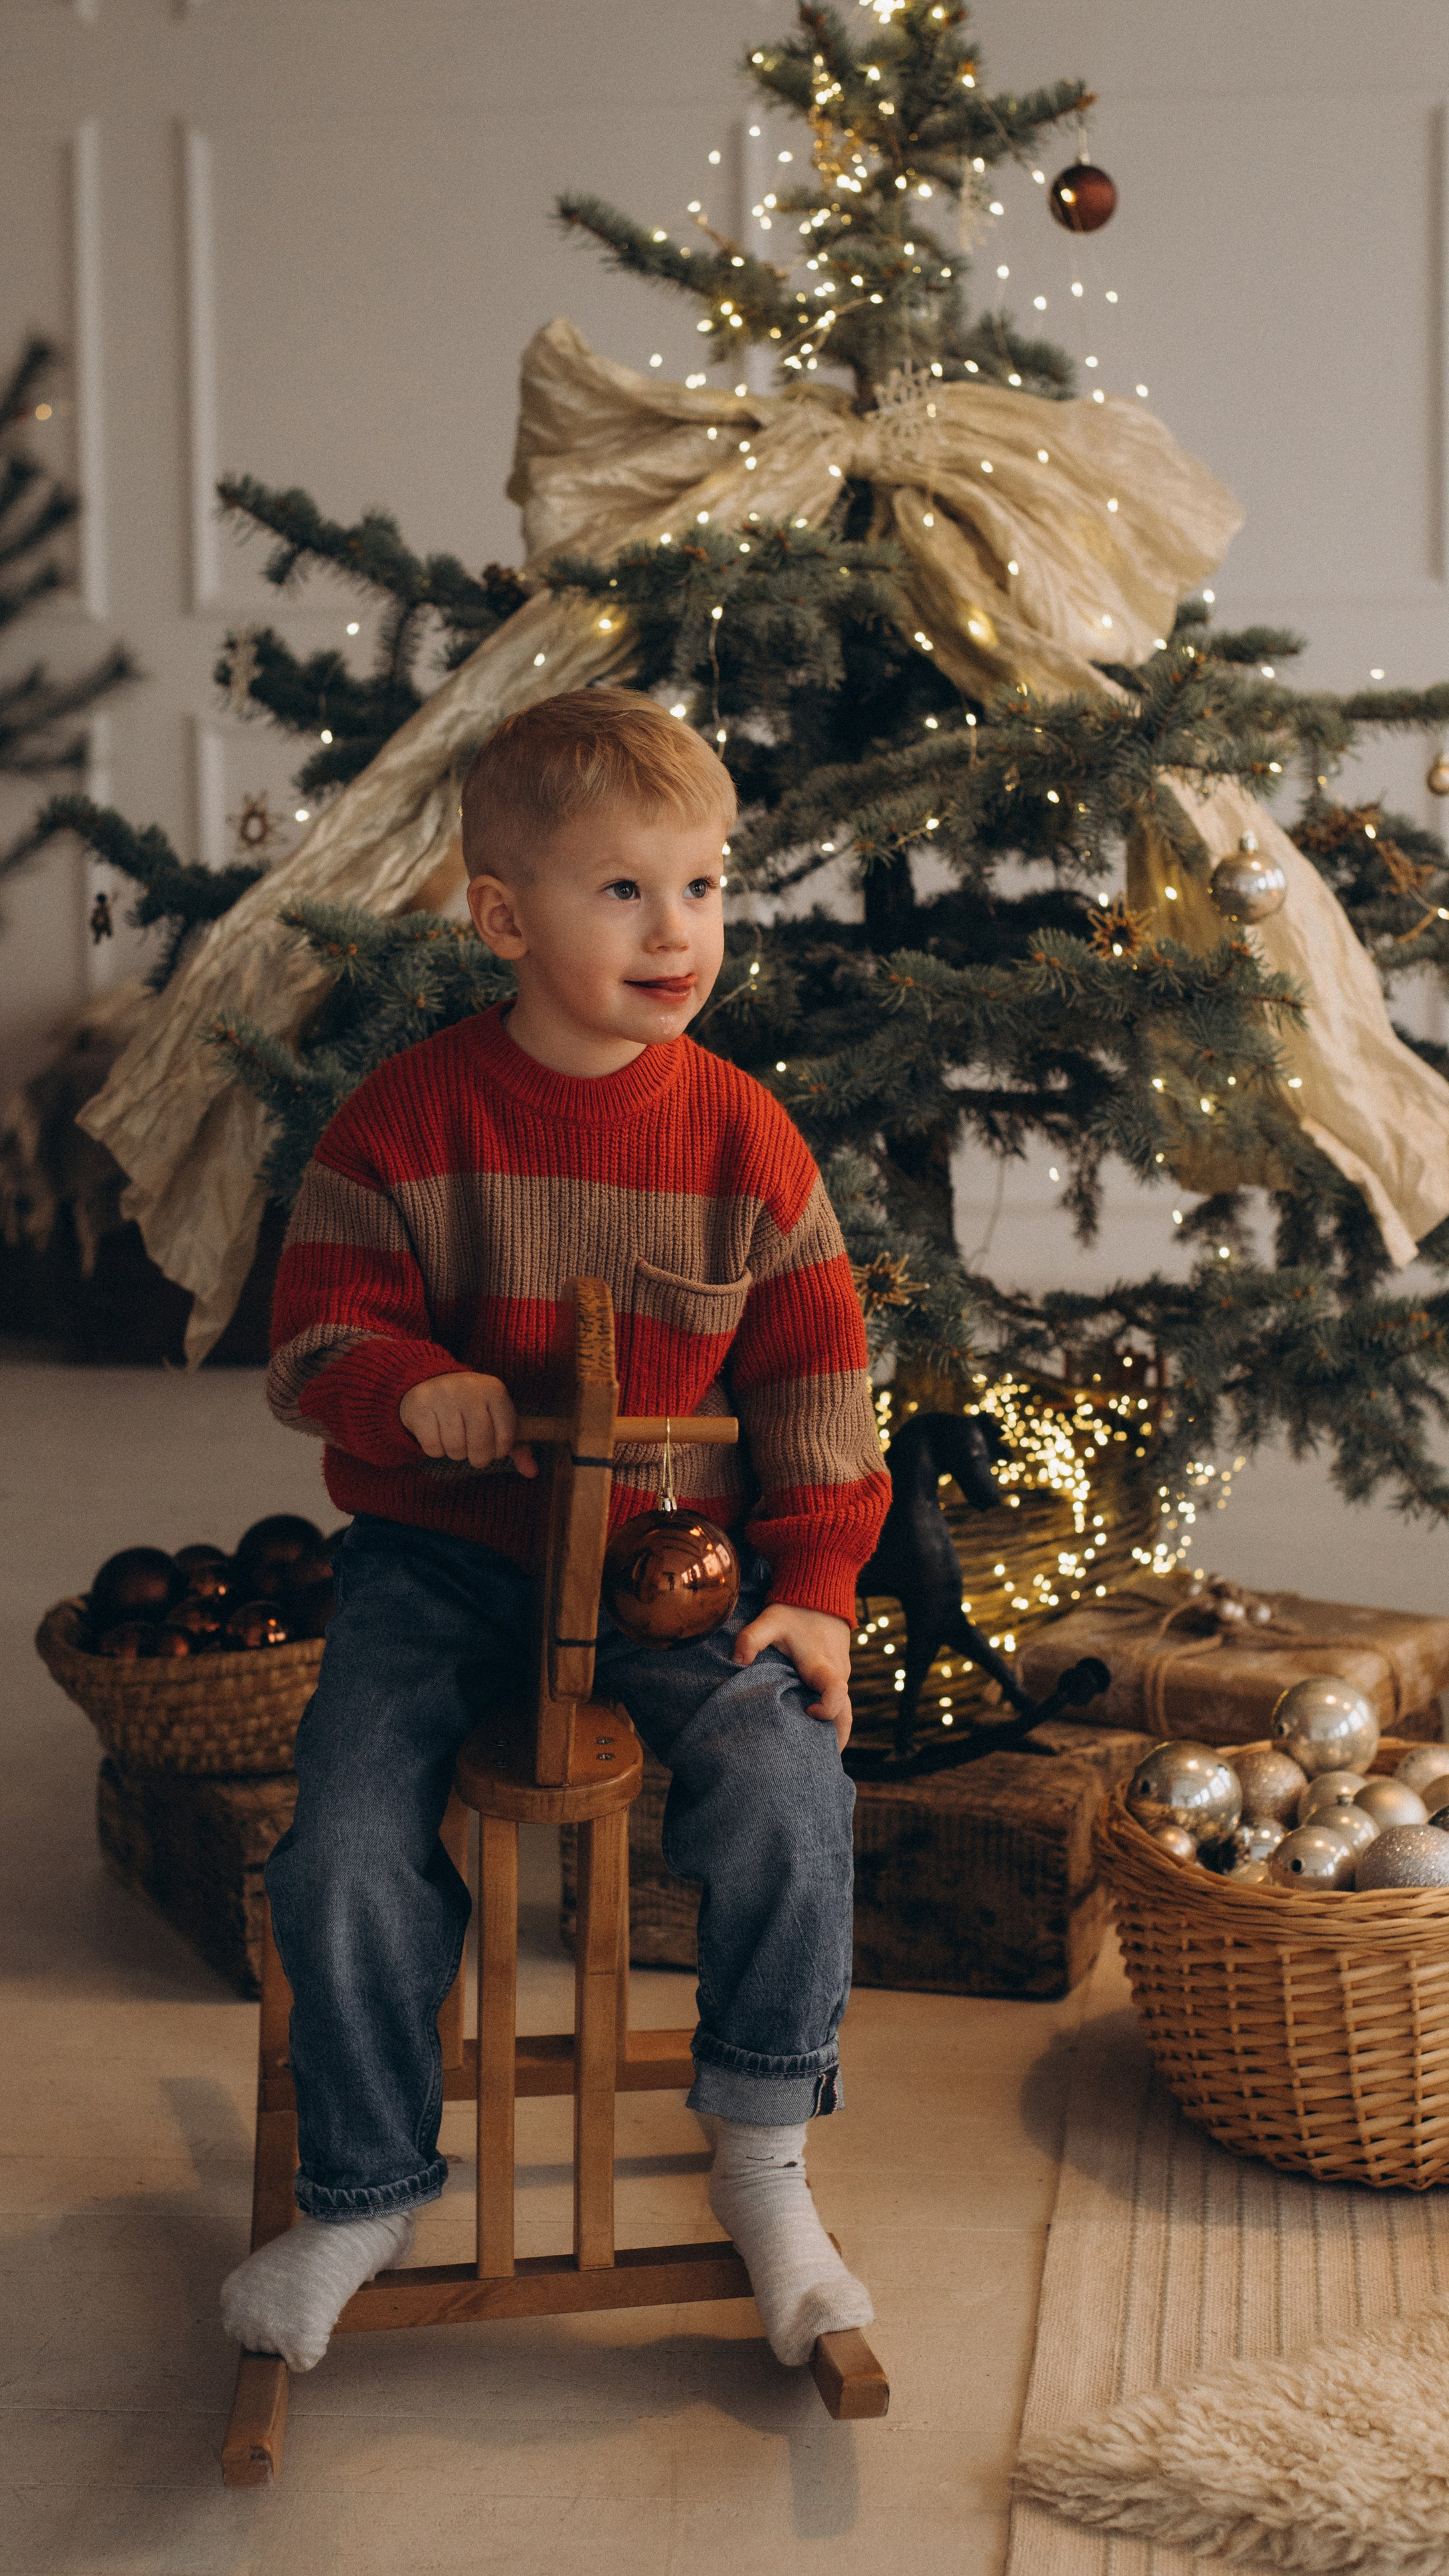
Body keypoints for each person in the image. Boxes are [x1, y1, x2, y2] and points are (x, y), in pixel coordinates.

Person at [220, 688, 891, 2377]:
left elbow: (815, 1382)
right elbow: (311, 1340)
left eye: (705, 886)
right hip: (442, 1557)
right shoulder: (405, 1116)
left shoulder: (745, 1133)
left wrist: (812, 1587)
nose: (679, 931)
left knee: (786, 1780)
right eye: (623, 892)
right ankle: (366, 2182)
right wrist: (404, 1382)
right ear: (502, 916)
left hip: (674, 1566)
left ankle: (758, 2148)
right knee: (346, 1840)